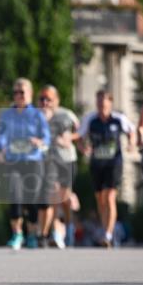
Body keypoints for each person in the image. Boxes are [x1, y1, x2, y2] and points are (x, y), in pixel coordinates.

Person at [0, 78, 50, 249]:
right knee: (16, 197)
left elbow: (46, 137)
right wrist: (1, 149)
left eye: (22, 92)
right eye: (16, 92)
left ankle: (32, 234)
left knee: (32, 200)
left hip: (33, 161)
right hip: (14, 161)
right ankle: (17, 234)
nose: (18, 96)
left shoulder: (38, 115)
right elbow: (1, 135)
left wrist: (39, 142)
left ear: (30, 95)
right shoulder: (6, 114)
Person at [79, 89, 136, 248]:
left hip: (114, 163)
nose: (101, 103)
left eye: (104, 100)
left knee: (110, 196)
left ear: (110, 102)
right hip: (97, 164)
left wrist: (131, 143)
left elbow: (131, 131)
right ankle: (105, 230)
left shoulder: (118, 119)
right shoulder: (91, 119)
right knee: (100, 198)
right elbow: (79, 136)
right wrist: (83, 148)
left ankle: (108, 234)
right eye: (98, 100)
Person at [36, 85, 79, 249]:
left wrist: (70, 138)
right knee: (53, 197)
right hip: (50, 162)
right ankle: (54, 233)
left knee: (65, 198)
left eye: (49, 99)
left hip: (67, 160)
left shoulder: (66, 114)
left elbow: (80, 130)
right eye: (42, 99)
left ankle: (69, 227)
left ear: (57, 100)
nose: (45, 102)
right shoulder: (38, 116)